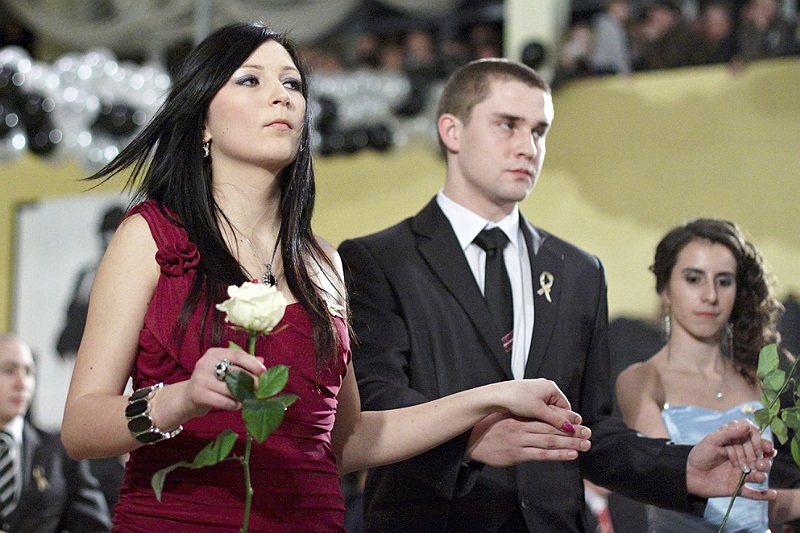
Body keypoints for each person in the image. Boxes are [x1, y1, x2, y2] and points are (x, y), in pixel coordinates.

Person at [59, 22, 594, 532]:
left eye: (292, 84)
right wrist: (179, 401)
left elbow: (345, 439)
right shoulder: (150, 236)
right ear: (203, 121)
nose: (282, 96)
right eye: (251, 80)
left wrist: (489, 401)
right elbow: (80, 426)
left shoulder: (324, 263)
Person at [337, 57, 776, 532]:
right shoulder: (379, 259)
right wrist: (469, 440)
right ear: (452, 131)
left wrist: (682, 467)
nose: (528, 147)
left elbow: (590, 429)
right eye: (508, 125)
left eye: (539, 131)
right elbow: (375, 403)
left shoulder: (579, 271)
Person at [616, 218, 800, 532]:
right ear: (665, 289)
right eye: (693, 279)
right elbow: (665, 484)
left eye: (724, 281)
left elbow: (755, 507)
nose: (710, 295)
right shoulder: (643, 380)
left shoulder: (757, 380)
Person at [0, 333, 111, 532]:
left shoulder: (60, 450)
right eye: (9, 371)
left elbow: (96, 527)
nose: (22, 384)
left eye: (29, 372)